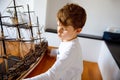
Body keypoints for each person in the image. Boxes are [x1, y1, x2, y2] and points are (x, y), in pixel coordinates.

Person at [23, 3, 87, 80]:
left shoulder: (71, 50)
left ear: (78, 30)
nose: (58, 31)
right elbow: (63, 52)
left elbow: (51, 76)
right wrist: (53, 51)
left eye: (64, 29)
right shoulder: (69, 40)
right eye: (58, 25)